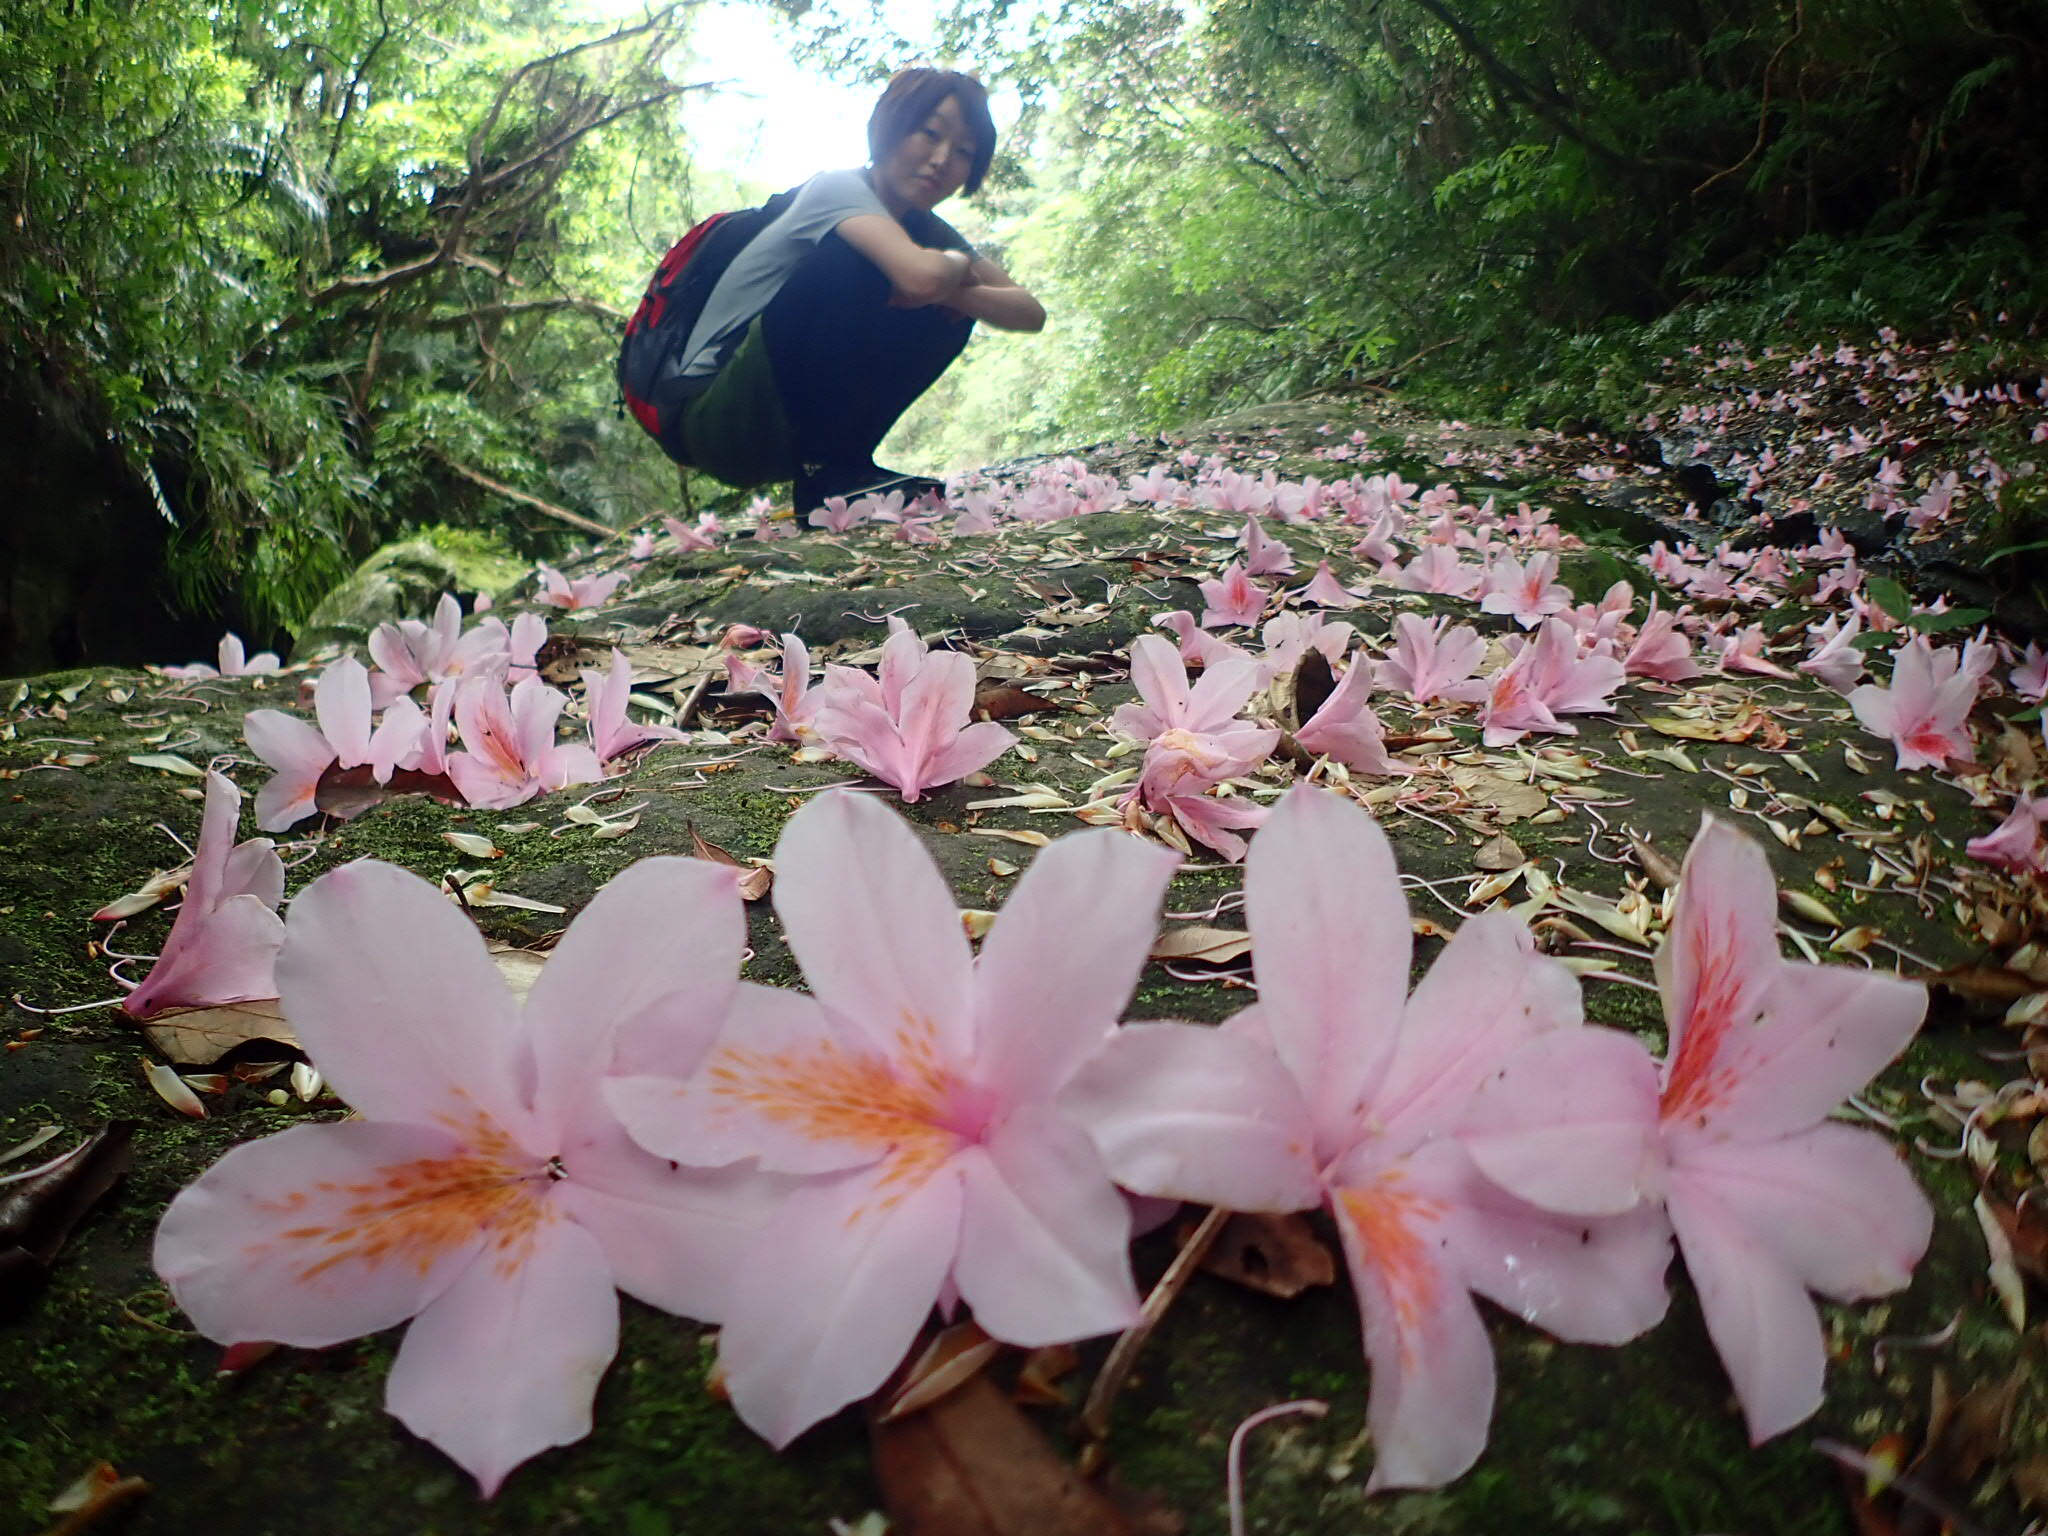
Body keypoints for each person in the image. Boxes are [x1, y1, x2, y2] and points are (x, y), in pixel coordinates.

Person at [654, 68, 1045, 515]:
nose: (941, 159)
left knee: (940, 297)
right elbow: (921, 278)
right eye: (929, 132)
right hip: (719, 421)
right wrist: (954, 267)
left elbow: (1029, 312)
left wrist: (947, 290)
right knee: (857, 261)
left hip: (782, 430)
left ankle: (844, 466)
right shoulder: (838, 190)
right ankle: (827, 474)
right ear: (889, 126)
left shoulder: (925, 228)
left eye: (963, 152)